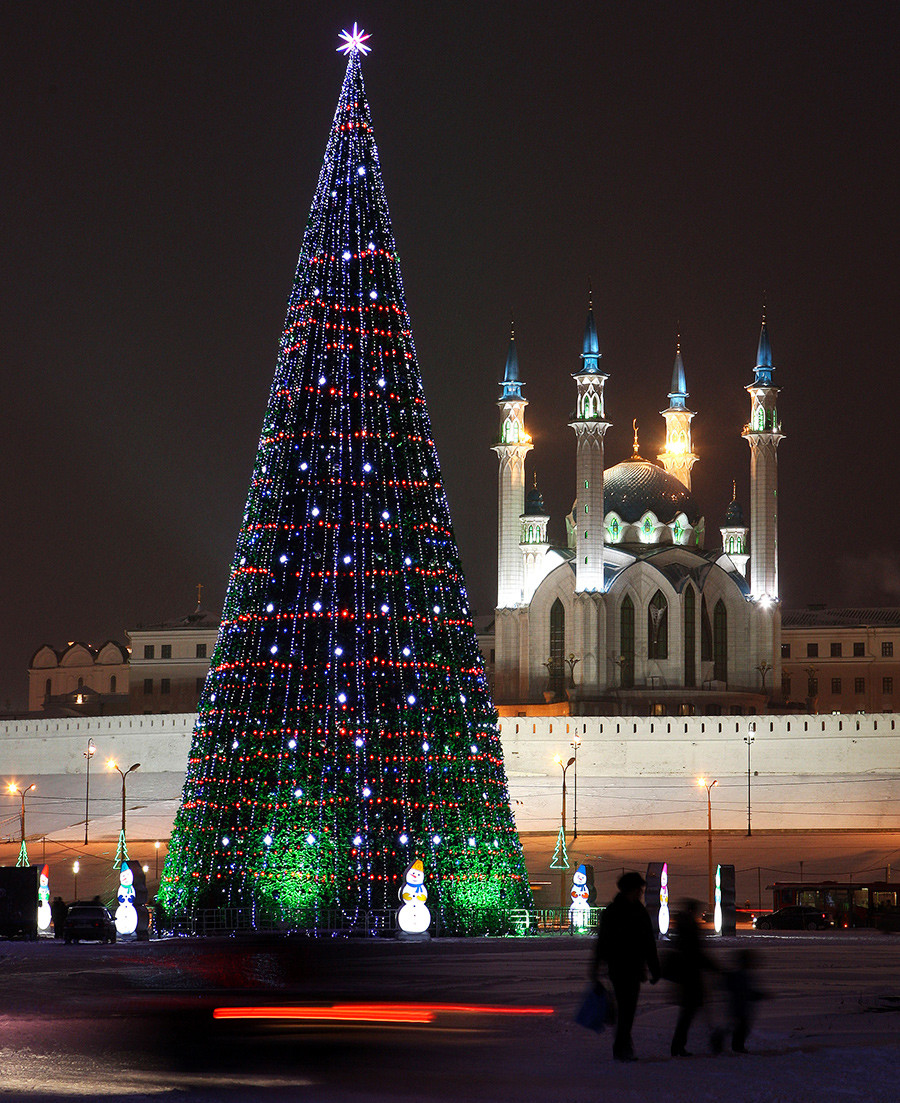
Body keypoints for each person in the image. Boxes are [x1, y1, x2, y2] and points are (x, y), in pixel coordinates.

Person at [593, 871, 660, 1062]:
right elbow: (647, 943)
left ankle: (623, 1046)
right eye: (639, 888)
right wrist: (654, 968)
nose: (641, 891)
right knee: (626, 1009)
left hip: (624, 968)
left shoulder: (615, 911)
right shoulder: (634, 912)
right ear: (631, 889)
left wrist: (597, 966)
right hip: (623, 968)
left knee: (626, 1009)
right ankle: (622, 1048)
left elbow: (603, 942)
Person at [667, 899, 716, 1056]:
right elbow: (697, 954)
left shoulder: (682, 929)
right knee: (689, 1012)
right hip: (691, 977)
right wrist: (714, 968)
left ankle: (679, 1045)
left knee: (688, 1012)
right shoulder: (689, 930)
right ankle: (678, 1046)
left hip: (686, 976)